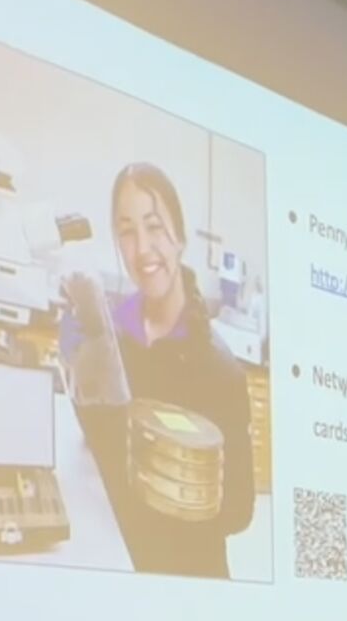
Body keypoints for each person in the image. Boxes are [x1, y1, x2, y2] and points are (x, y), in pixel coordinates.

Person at [63, 162, 255, 579]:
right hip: (118, 553)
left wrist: (175, 488)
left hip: (187, 581)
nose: (143, 247)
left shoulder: (219, 370)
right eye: (127, 231)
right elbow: (97, 438)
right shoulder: (114, 331)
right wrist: (78, 370)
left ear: (180, 238)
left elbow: (240, 510)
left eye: (154, 226)